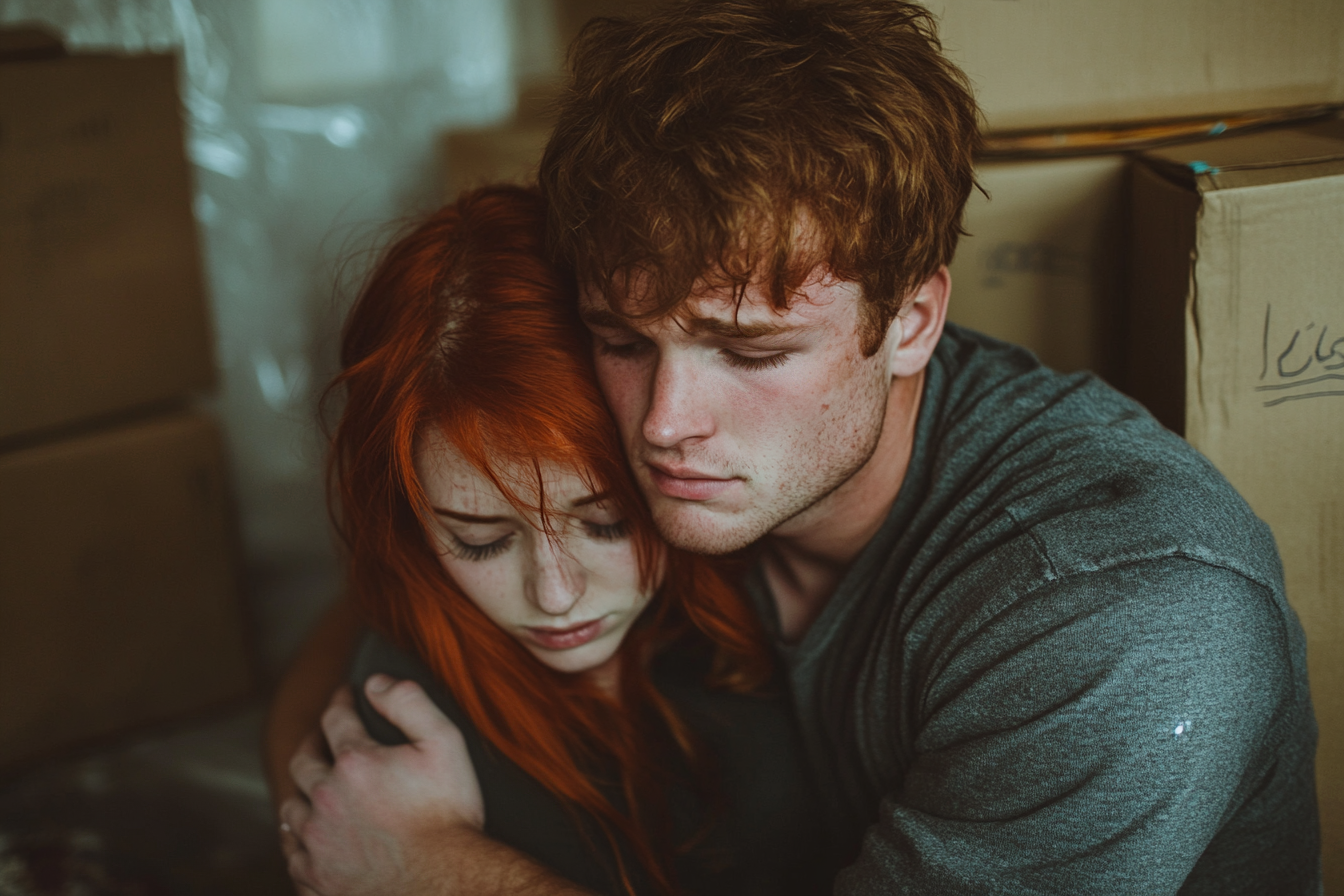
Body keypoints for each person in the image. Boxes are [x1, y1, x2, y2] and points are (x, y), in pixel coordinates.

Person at [271, 1, 1321, 893]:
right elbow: (402, 558)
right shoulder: (748, 467)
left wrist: (435, 867)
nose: (663, 421)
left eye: (751, 349)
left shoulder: (1128, 623)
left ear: (912, 321)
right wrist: (313, 786)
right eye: (624, 338)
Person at [267, 184, 833, 896]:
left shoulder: (781, 568)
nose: (556, 595)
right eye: (479, 541)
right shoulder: (403, 741)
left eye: (607, 523)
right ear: (409, 523)